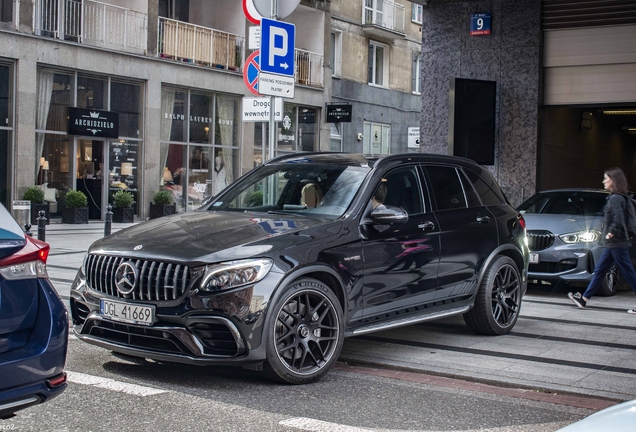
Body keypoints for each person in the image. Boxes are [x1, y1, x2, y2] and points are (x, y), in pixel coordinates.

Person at [568, 167, 636, 312]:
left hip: (617, 242)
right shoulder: (618, 197)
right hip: (614, 243)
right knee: (600, 271)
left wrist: (611, 233)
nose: (603, 181)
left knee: (629, 273)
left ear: (614, 181)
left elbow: (618, 219)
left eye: (606, 178)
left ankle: (584, 298)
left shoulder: (616, 198)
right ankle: (584, 299)